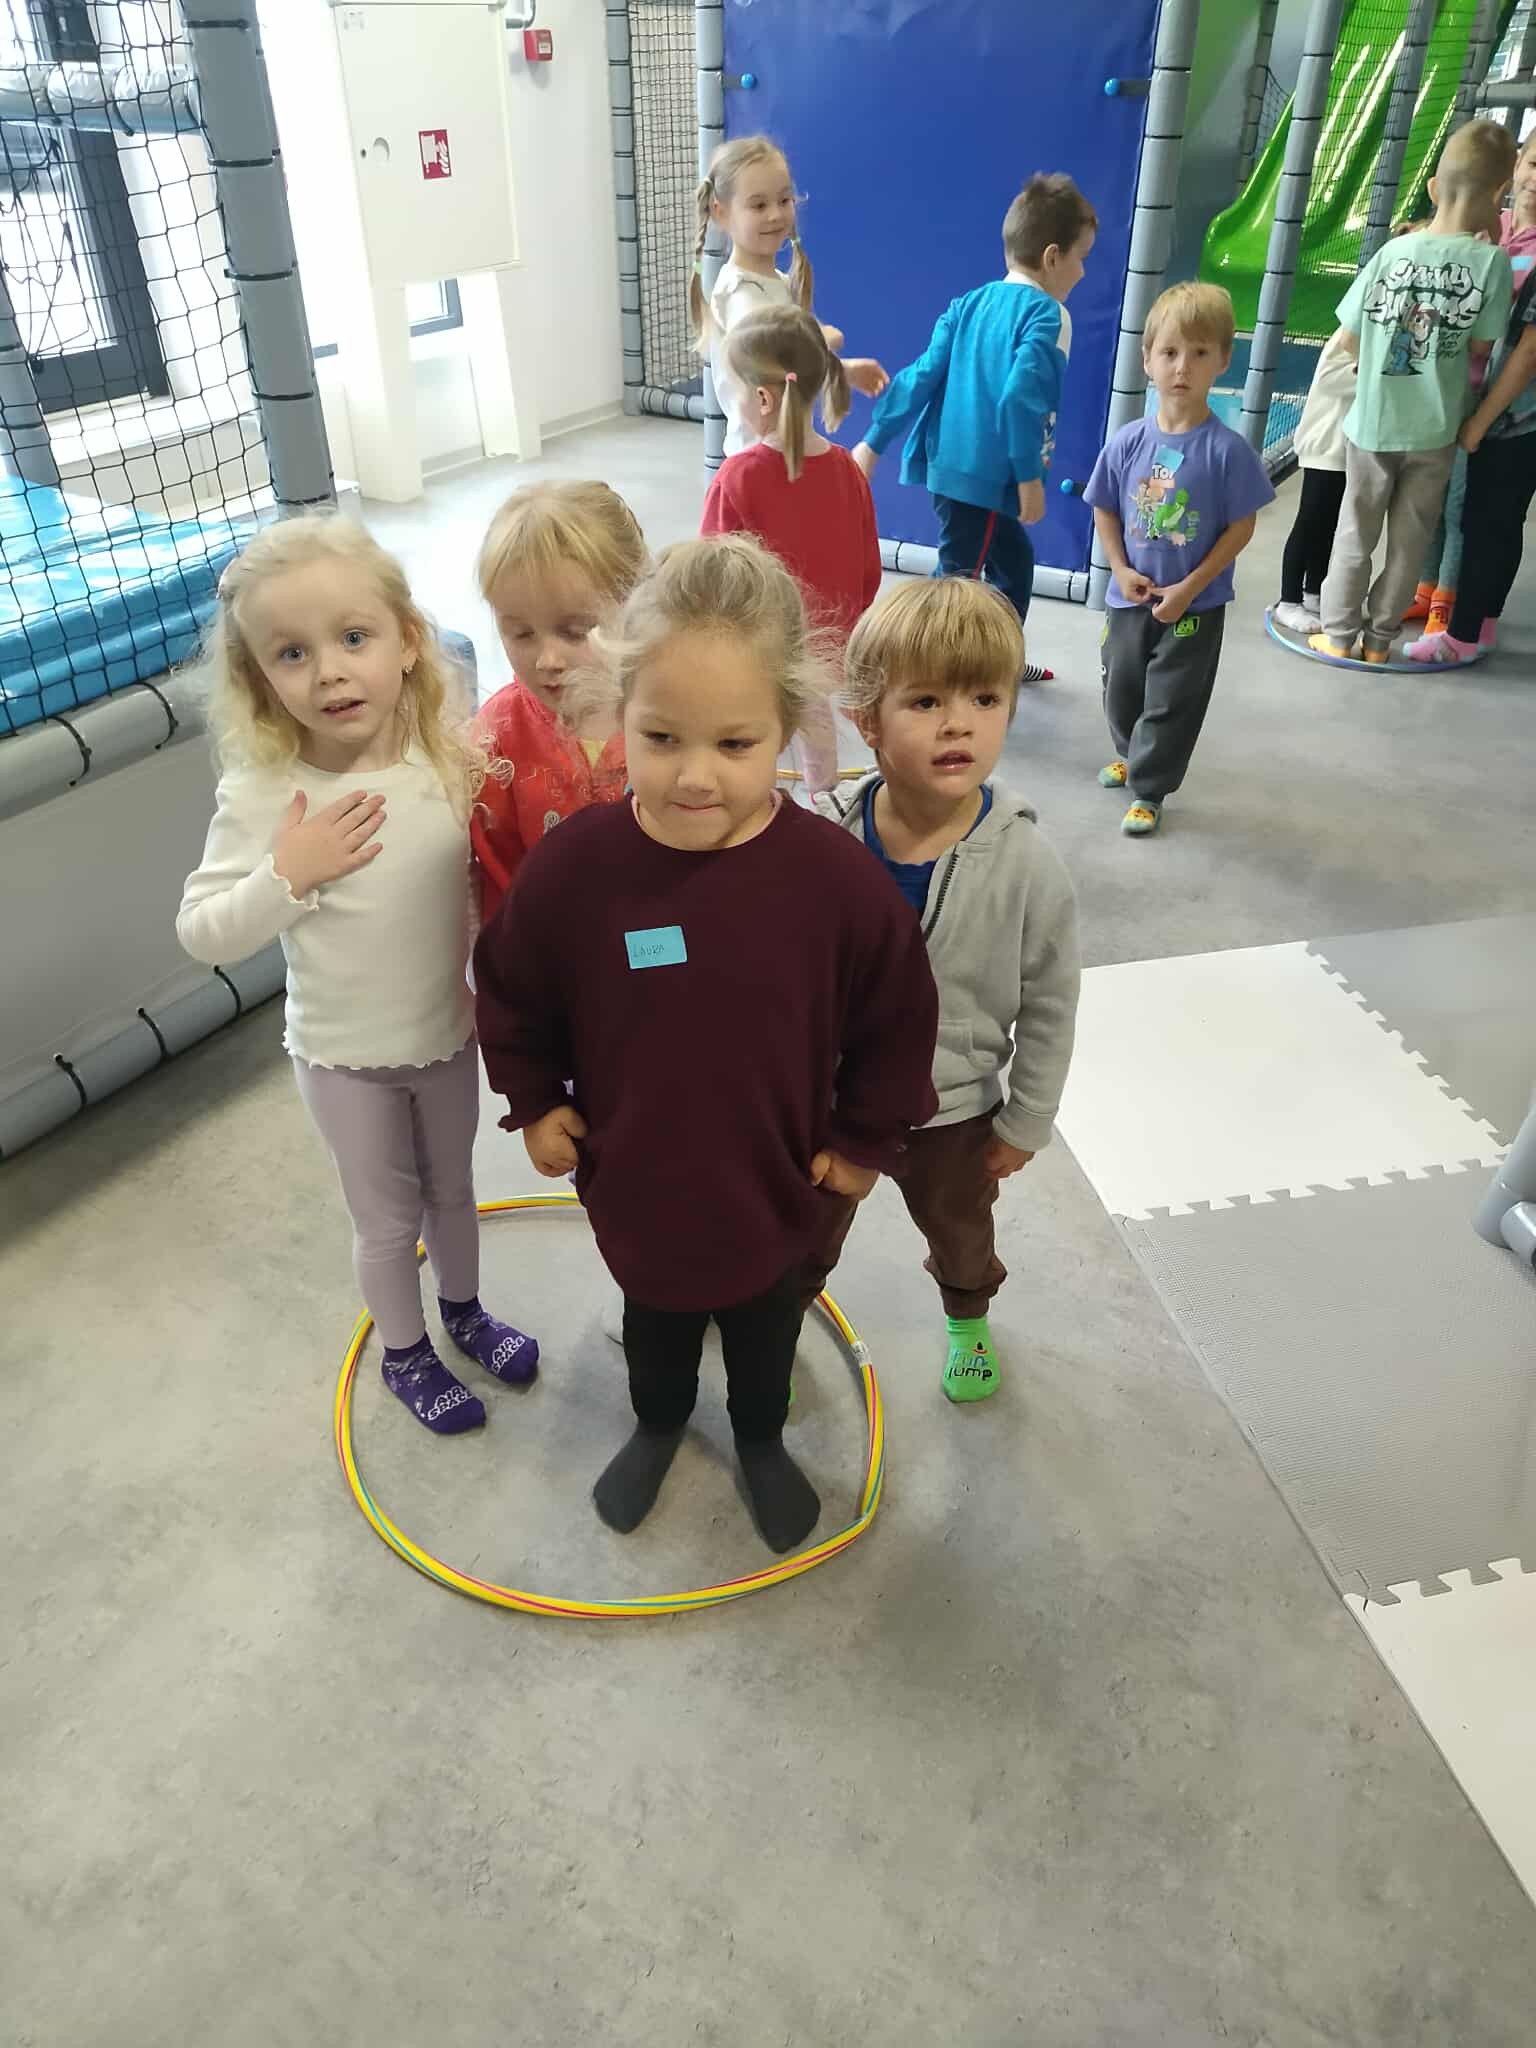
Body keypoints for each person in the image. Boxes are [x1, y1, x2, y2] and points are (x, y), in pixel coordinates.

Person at [473, 536, 939, 1554]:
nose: (694, 775)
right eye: (662, 737)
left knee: (767, 1338)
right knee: (657, 1329)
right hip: (637, 1182)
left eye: (734, 743)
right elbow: (510, 986)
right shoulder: (576, 870)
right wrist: (534, 1097)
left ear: (787, 725)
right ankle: (658, 1422)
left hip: (777, 1185)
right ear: (618, 713)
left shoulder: (834, 883)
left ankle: (761, 1440)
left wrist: (865, 1139)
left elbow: (899, 1015)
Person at [177, 518, 537, 1435]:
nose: (330, 673)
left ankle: (465, 1313)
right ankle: (405, 1354)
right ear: (259, 676)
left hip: (445, 1038)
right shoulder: (266, 792)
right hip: (343, 1059)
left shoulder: (443, 758)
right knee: (386, 1221)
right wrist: (286, 874)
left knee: (452, 1192)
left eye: (352, 637)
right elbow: (203, 931)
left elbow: (489, 880)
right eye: (292, 653)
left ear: (407, 640)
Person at [806, 578, 1079, 1402]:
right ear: (867, 720)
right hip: (833, 1102)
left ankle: (967, 1315)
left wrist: (1027, 1118)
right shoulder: (825, 840)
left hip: (953, 1111)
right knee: (803, 1229)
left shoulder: (1027, 863)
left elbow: (1052, 1001)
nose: (959, 723)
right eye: (926, 701)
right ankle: (774, 1320)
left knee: (962, 1231)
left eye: (985, 699)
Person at [852, 172, 1099, 680]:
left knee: (1011, 564)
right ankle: (921, 669)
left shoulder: (967, 304)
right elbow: (1021, 399)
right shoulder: (1049, 315)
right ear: (1053, 257)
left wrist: (874, 441)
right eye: (1082, 257)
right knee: (956, 583)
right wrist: (1029, 479)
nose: (1083, 270)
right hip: (988, 479)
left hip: (951, 470)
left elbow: (921, 375)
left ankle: (995, 662)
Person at [1308, 119, 1515, 665]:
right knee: (1410, 542)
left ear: (1433, 188)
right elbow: (1483, 344)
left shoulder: (1392, 252)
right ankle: (1379, 642)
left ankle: (1339, 633)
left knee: (1355, 532)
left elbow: (1349, 338)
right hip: (1435, 430)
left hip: (1373, 422)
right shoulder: (1492, 262)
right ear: (1500, 193)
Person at [1085, 281, 1274, 837]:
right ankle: (1131, 752)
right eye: (1169, 352)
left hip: (1195, 605)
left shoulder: (1228, 452)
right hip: (1129, 598)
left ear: (1223, 361)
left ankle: (1150, 788)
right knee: (1120, 686)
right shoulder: (1127, 442)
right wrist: (1119, 569)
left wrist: (1191, 586)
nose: (1182, 367)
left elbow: (1241, 526)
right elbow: (1104, 508)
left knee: (1173, 698)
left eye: (1199, 353)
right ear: (1147, 360)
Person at [700, 303, 882, 793]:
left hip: (757, 650)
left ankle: (753, 799)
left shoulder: (737, 477)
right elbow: (869, 567)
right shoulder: (847, 468)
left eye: (733, 390)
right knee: (811, 721)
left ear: (762, 397)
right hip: (828, 647)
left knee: (751, 732)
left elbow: (710, 576)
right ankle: (823, 798)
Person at [470, 481, 647, 921]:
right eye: (521, 634)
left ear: (635, 604)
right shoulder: (496, 736)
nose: (547, 660)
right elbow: (498, 872)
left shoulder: (671, 710)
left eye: (575, 632)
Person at [1407, 128, 1536, 666]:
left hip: (1512, 417)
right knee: (1442, 501)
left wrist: (1483, 420)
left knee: (1487, 518)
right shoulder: (1487, 227)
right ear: (1515, 169)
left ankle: (1463, 626)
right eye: (1535, 164)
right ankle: (1430, 590)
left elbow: (1527, 351)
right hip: (1459, 401)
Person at [690, 134, 888, 460]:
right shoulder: (738, 290)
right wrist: (821, 336)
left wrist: (842, 370)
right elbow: (767, 343)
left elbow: (789, 368)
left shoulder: (777, 282)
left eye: (784, 200)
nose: (775, 215)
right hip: (756, 460)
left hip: (786, 450)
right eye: (758, 205)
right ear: (721, 213)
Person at [1271, 328, 1357, 634]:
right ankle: (1288, 600)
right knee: (1309, 521)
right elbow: (1331, 379)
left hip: (1346, 448)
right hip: (1325, 445)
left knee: (1329, 523)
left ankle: (1314, 591)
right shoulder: (1349, 335)